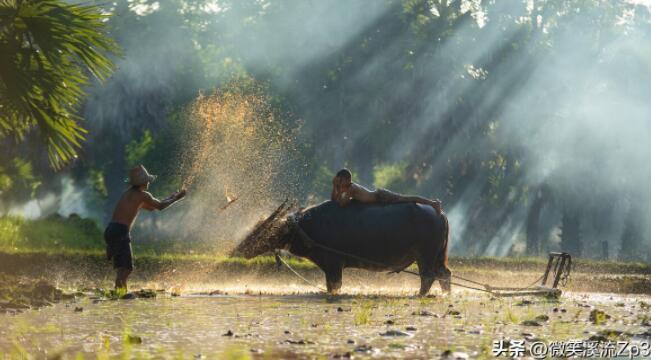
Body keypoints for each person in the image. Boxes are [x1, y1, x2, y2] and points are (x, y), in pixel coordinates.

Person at [104, 165, 186, 292]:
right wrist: (176, 198)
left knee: (122, 268)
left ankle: (119, 293)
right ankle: (120, 295)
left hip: (111, 229)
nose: (148, 182)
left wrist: (172, 196)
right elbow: (160, 206)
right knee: (126, 269)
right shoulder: (143, 195)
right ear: (143, 182)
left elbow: (152, 207)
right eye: (147, 180)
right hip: (121, 231)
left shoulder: (128, 194)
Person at [331, 168, 442, 214]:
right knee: (406, 199)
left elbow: (341, 204)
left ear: (347, 179)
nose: (340, 183)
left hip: (380, 196)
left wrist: (336, 188)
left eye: (341, 180)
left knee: (407, 199)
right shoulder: (347, 188)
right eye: (339, 181)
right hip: (378, 197)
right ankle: (432, 203)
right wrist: (335, 187)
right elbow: (334, 201)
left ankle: (433, 203)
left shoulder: (351, 188)